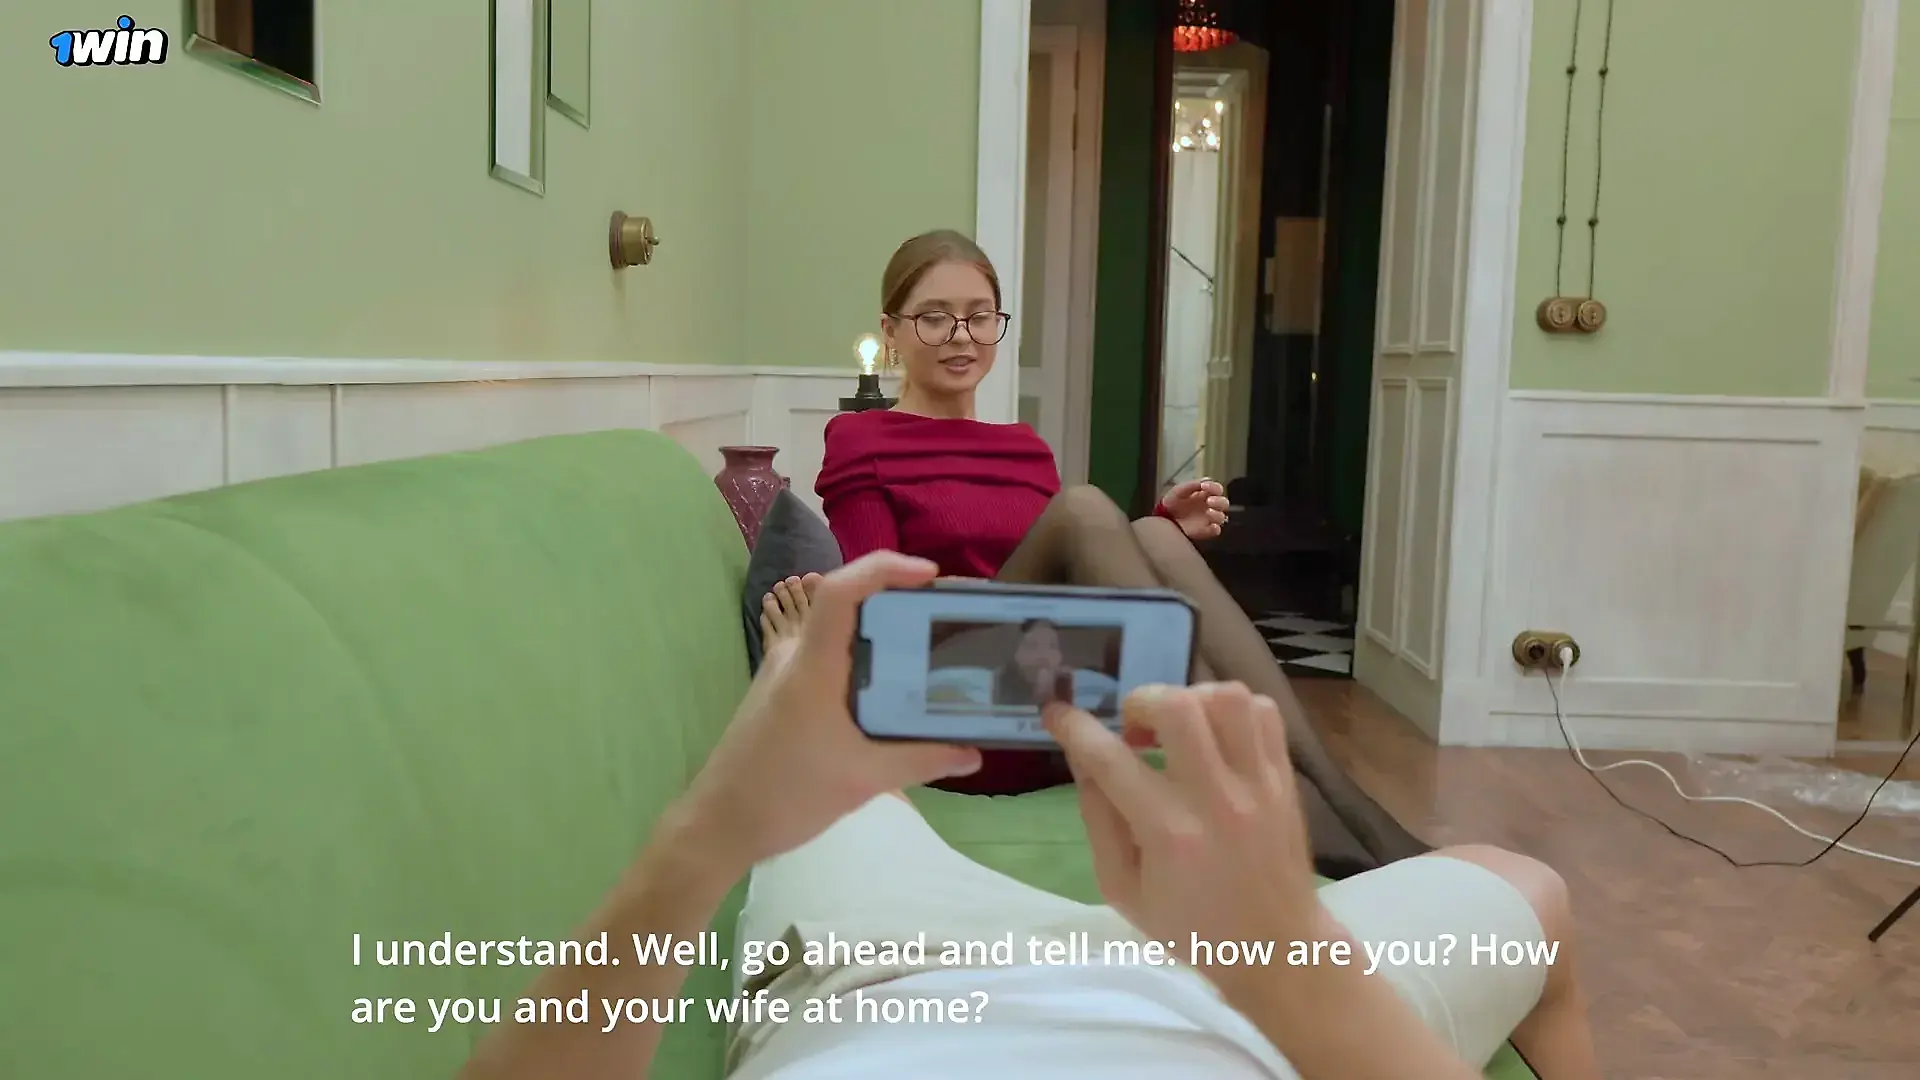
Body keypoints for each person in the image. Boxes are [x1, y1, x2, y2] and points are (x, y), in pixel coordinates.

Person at [458, 553, 1603, 1080]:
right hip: (1242, 1006)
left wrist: (704, 836)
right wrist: (1282, 960)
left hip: (876, 977)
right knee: (1527, 888)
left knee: (836, 804)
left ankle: (804, 678)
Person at [760, 228, 1426, 877]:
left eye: (979, 316)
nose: (961, 336)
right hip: (949, 702)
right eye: (934, 318)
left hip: (1052, 691)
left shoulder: (1024, 448)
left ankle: (1325, 797)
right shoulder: (862, 438)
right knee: (1082, 509)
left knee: (1155, 535)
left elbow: (1060, 574)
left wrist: (1157, 530)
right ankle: (1316, 802)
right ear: (892, 331)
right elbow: (881, 610)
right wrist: (984, 592)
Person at [998, 619, 1074, 709]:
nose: (1043, 656)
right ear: (1016, 655)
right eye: (1032, 645)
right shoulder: (998, 686)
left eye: (1052, 646)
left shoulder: (1069, 688)